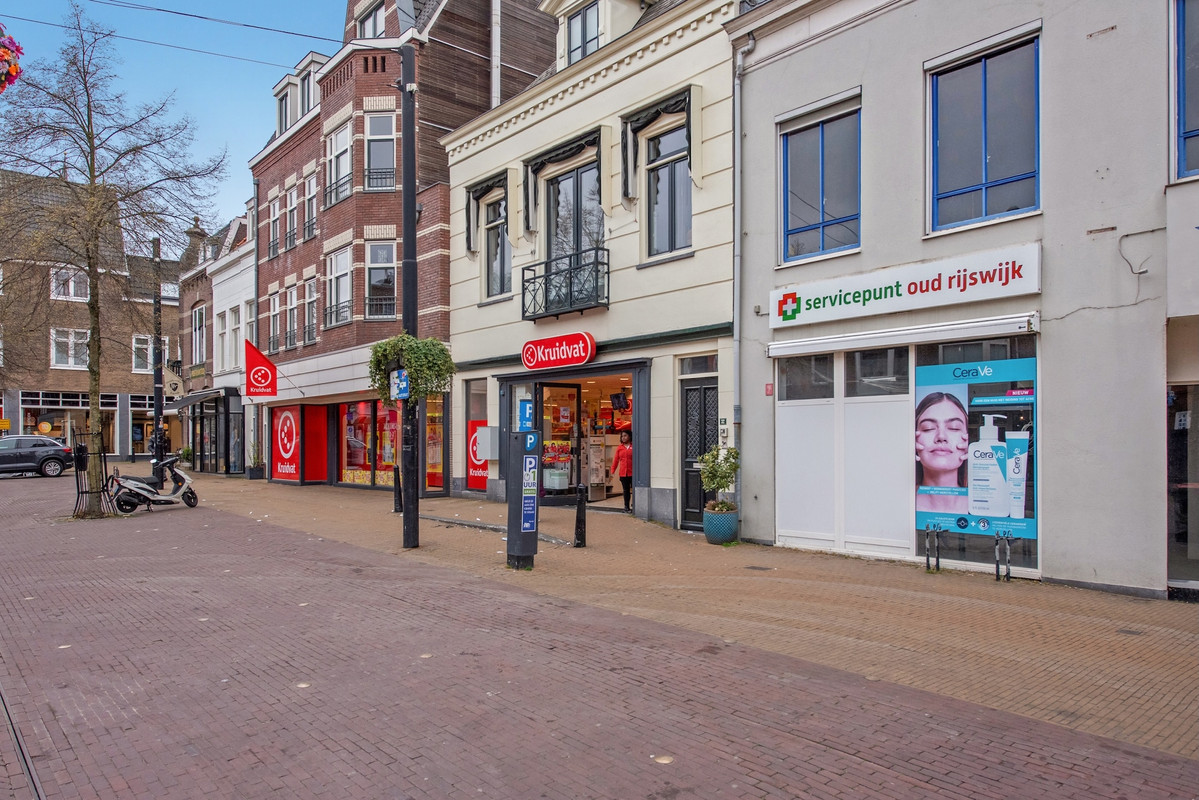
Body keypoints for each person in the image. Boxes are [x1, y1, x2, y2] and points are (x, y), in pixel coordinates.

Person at [915, 391, 969, 513]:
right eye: (928, 428)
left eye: (954, 428)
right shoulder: (898, 501)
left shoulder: (983, 506)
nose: (941, 436)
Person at [610, 429, 633, 512]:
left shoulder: (633, 446)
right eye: (622, 436)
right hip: (623, 473)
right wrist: (612, 471)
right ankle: (626, 506)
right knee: (626, 490)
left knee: (635, 490)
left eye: (625, 436)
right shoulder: (620, 448)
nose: (623, 437)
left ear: (629, 436)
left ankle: (635, 505)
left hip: (633, 473)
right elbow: (616, 460)